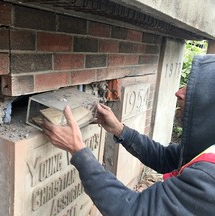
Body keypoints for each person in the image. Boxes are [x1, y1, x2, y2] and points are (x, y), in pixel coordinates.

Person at [41, 55, 215, 215]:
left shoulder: (208, 179)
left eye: (192, 90)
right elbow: (165, 158)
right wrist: (120, 129)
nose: (179, 92)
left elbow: (132, 210)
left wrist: (78, 150)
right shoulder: (208, 150)